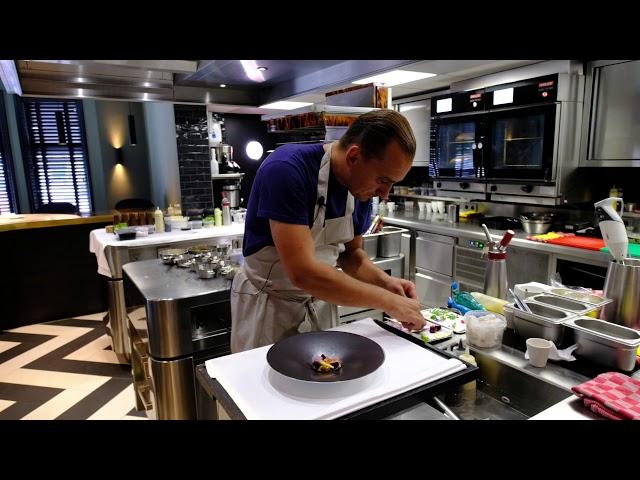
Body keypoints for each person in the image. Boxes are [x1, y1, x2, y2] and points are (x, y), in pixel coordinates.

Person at [230, 109, 426, 353]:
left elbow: (351, 255)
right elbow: (303, 273)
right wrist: (389, 302)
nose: (385, 194)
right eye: (383, 180)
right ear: (354, 157)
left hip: (320, 306)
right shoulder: (287, 169)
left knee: (324, 380)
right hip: (269, 307)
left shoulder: (360, 190)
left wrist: (386, 283)